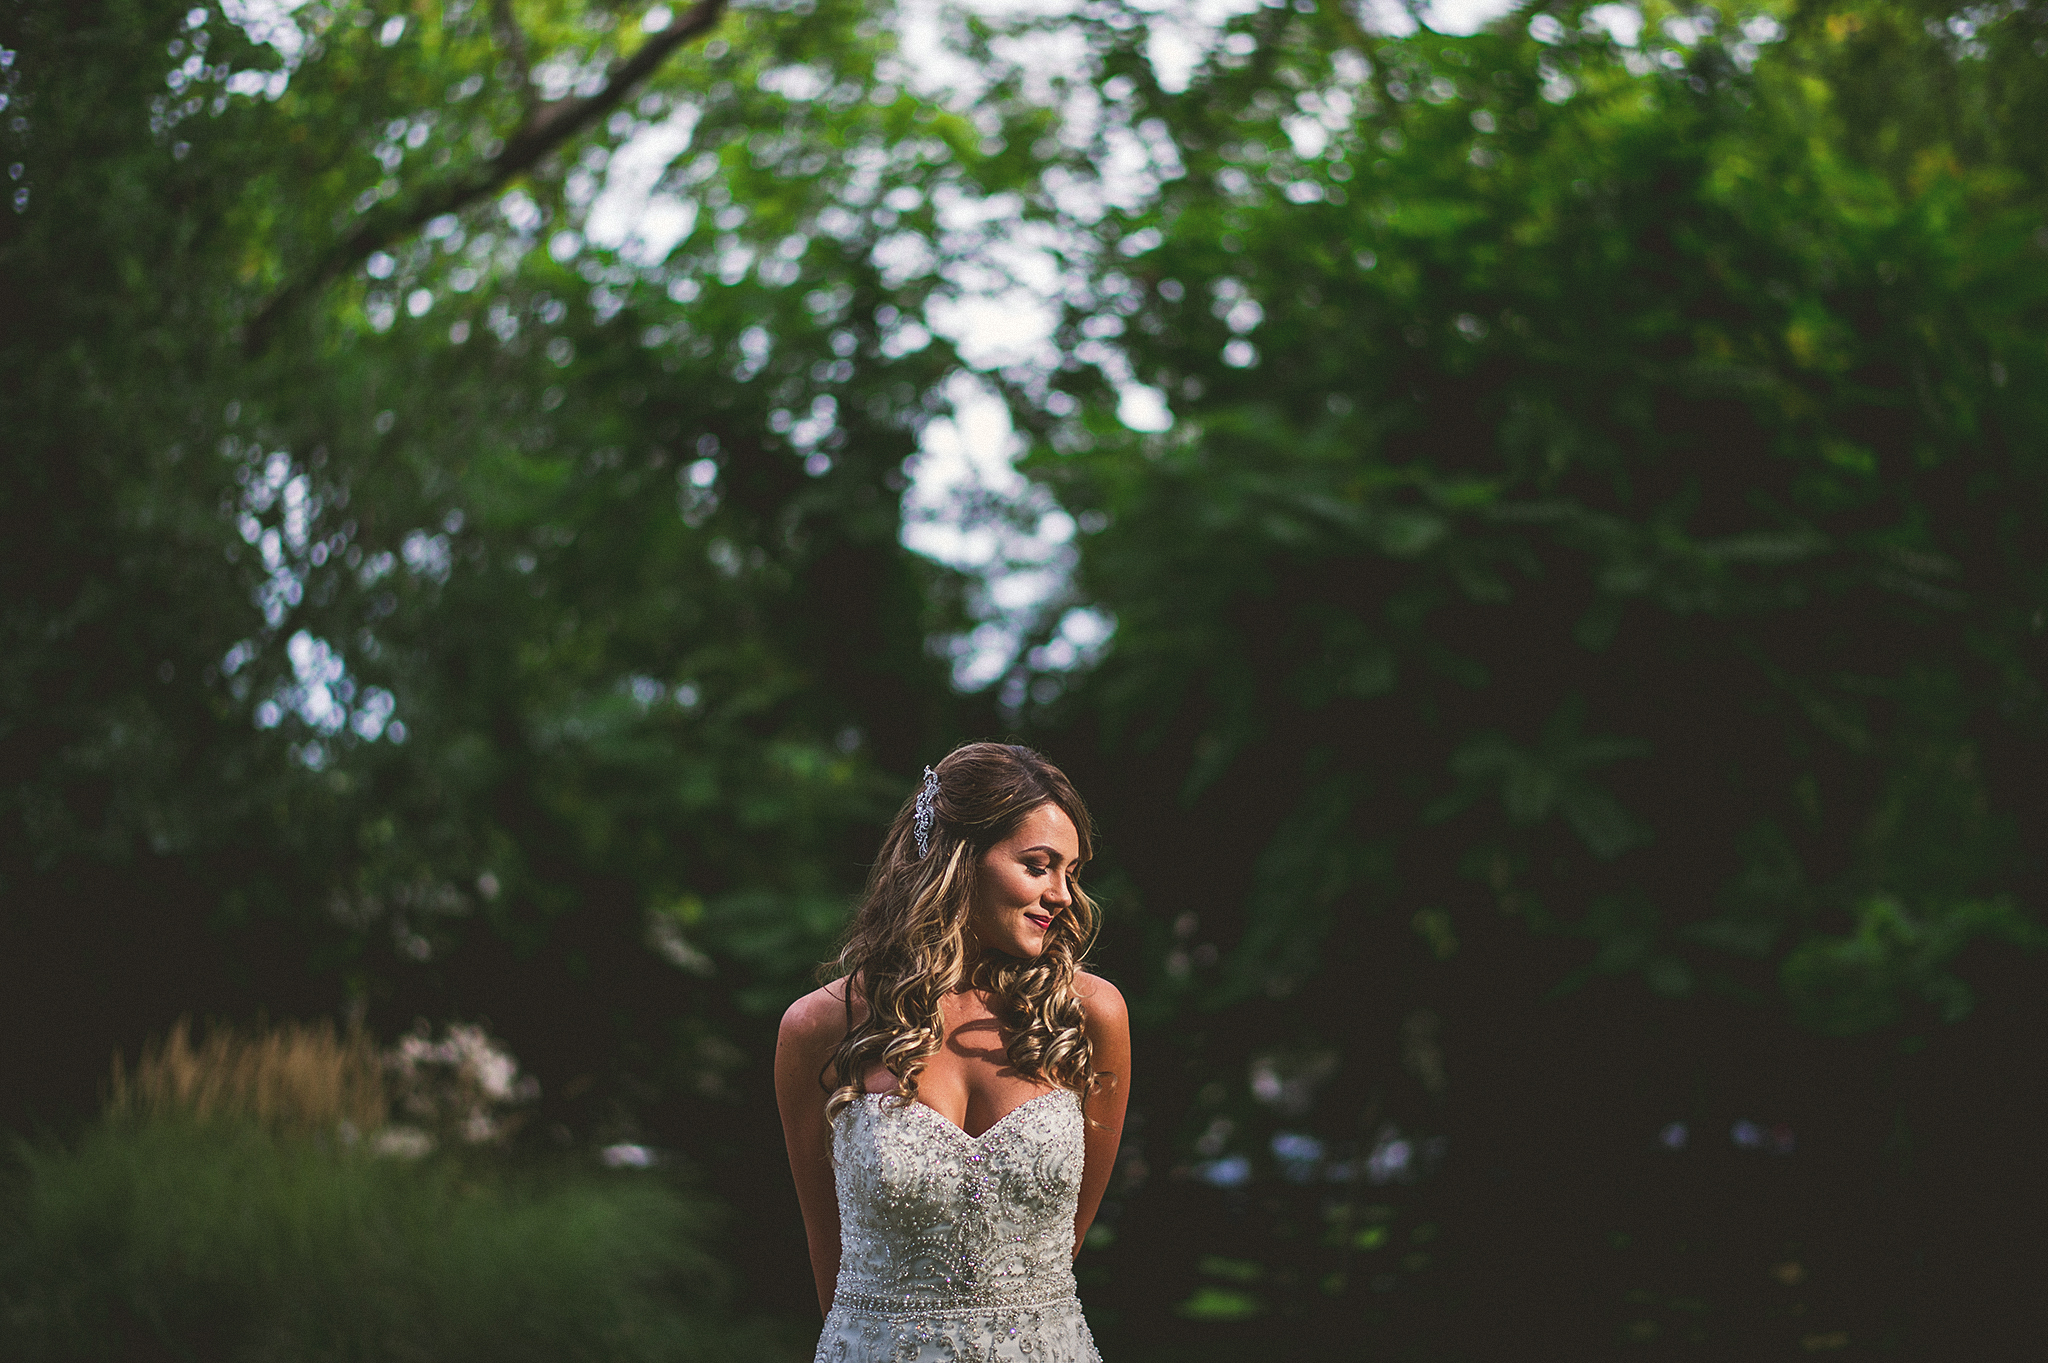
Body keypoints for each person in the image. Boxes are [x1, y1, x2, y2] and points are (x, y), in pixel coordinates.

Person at [776, 742, 1131, 1363]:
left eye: (1070, 873)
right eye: (1039, 865)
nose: (1064, 896)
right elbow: (827, 1255)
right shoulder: (819, 1027)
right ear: (957, 858)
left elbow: (1062, 1247)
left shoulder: (1090, 1016)